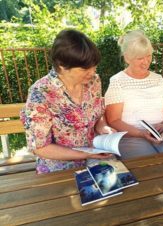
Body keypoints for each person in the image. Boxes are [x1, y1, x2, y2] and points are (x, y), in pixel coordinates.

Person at [20, 29, 114, 174]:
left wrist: (104, 128)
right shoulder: (40, 93)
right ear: (62, 65)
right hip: (59, 165)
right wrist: (85, 155)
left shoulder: (93, 82)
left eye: (95, 66)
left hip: (95, 154)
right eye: (85, 68)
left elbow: (99, 114)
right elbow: (40, 147)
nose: (93, 72)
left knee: (122, 187)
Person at [105, 30, 163, 159]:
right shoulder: (117, 81)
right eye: (140, 58)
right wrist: (141, 133)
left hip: (162, 135)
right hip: (131, 137)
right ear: (127, 58)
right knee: (147, 159)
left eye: (148, 55)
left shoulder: (158, 79)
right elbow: (114, 120)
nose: (146, 61)